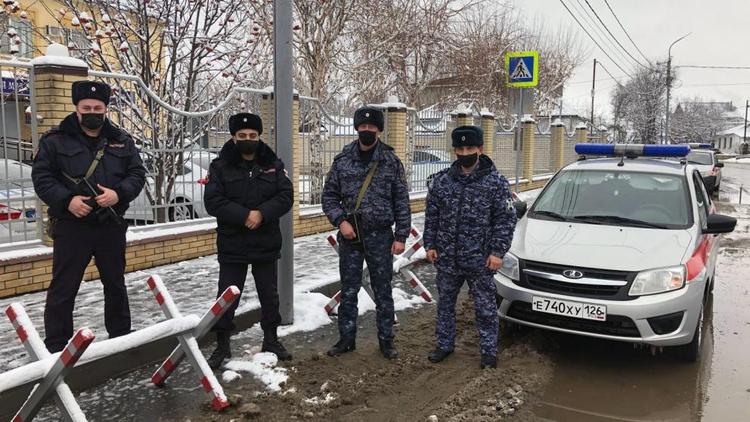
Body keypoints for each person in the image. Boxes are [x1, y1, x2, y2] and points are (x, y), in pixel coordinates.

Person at [32, 80, 146, 353]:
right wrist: (67, 200)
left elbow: (137, 174)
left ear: (106, 109)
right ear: (77, 108)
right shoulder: (55, 140)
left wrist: (118, 195)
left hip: (110, 224)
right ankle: (57, 349)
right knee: (64, 287)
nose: (92, 112)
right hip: (72, 226)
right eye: (87, 107)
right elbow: (42, 177)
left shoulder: (121, 140)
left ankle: (120, 338)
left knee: (115, 284)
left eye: (98, 107)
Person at [422, 125, 517, 369]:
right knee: (445, 305)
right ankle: (444, 344)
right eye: (460, 149)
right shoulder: (442, 181)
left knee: (485, 307)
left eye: (470, 148)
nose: (465, 153)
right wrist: (430, 244)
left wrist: (497, 252)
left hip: (481, 259)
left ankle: (488, 351)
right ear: (454, 151)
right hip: (448, 258)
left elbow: (505, 220)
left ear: (480, 149)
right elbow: (432, 216)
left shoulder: (495, 182)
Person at [203, 112, 294, 368]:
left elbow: (286, 196)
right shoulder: (220, 167)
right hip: (233, 243)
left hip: (265, 241)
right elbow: (213, 201)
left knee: (269, 295)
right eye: (242, 136)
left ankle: (271, 339)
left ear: (259, 136)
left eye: (252, 136)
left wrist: (261, 214)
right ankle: (222, 344)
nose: (247, 140)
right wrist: (245, 216)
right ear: (233, 137)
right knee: (227, 296)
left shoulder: (273, 164)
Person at [322, 107, 411, 359]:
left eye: (372, 127)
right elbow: (328, 197)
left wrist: (401, 236)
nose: (367, 130)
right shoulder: (342, 160)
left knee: (383, 290)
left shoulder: (391, 161)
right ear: (356, 128)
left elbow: (401, 201)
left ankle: (386, 342)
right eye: (363, 126)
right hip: (351, 237)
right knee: (349, 291)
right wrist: (341, 222)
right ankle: (346, 340)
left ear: (380, 130)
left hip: (381, 236)